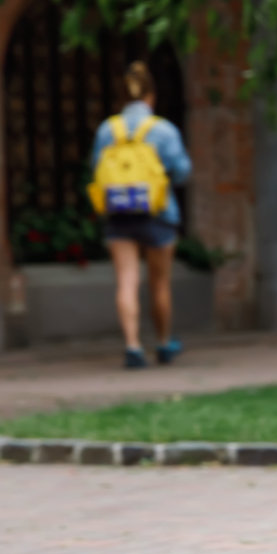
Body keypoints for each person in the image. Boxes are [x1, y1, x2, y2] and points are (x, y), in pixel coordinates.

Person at [89, 61, 192, 369]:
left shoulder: (108, 130)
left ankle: (133, 347)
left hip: (119, 213)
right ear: (152, 96)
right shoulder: (163, 130)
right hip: (158, 213)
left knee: (127, 281)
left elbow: (95, 169)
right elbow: (183, 171)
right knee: (160, 283)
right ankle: (163, 343)